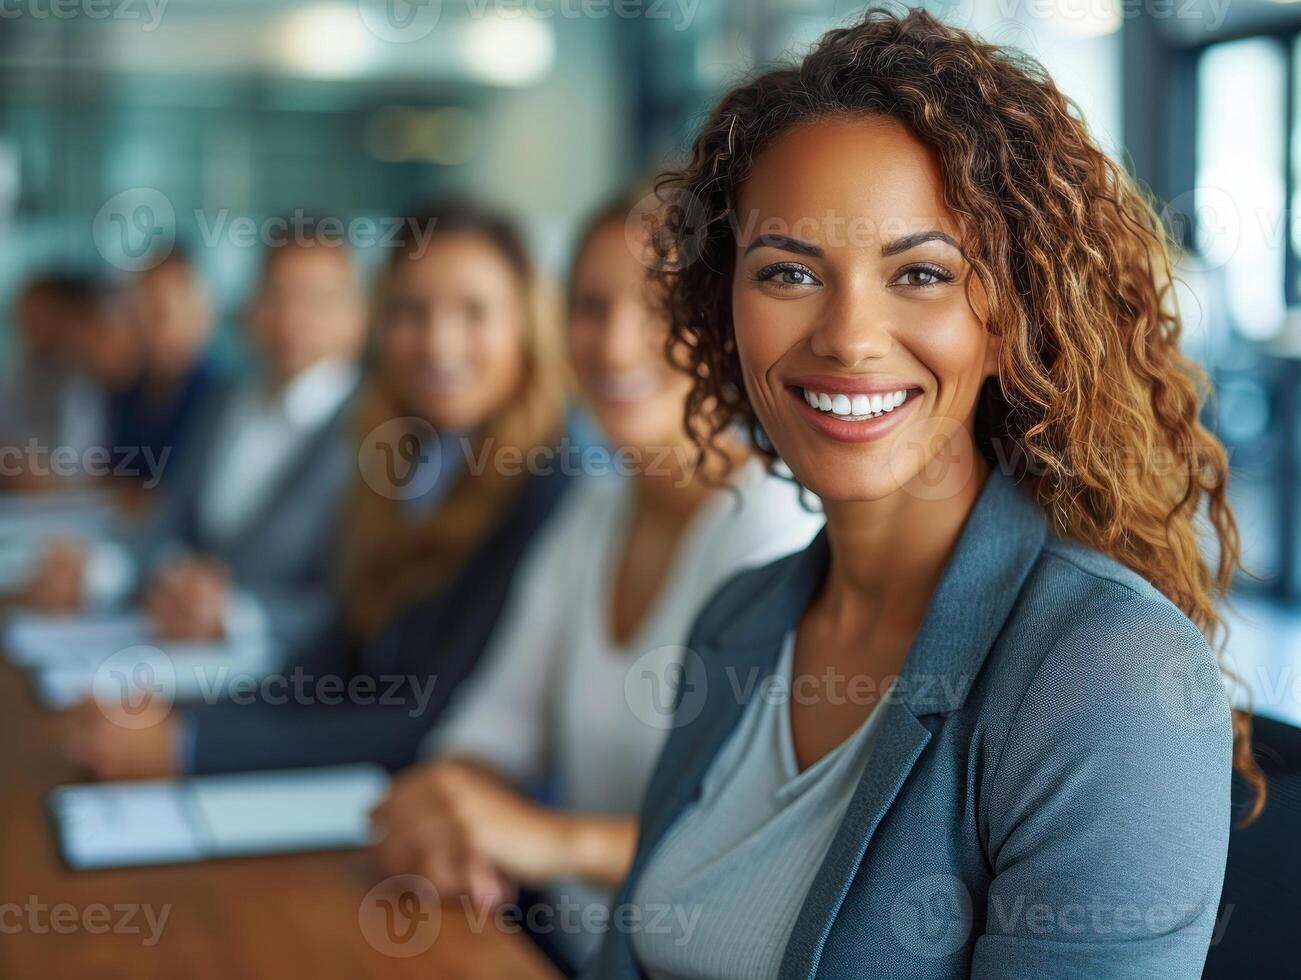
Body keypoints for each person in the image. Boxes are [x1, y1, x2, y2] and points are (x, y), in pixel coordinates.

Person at [586, 11, 1262, 980]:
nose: (848, 336)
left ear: (1009, 319)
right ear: (719, 301)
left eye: (919, 272)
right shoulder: (735, 621)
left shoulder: (1107, 675)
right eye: (786, 270)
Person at [370, 192, 824, 976]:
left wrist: (541, 840)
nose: (615, 345)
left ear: (721, 323)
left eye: (659, 307)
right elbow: (487, 731)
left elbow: (756, 838)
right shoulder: (591, 514)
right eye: (589, 306)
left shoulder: (774, 528)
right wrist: (457, 815)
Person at [60, 200, 578, 783]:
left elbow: (421, 721)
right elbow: (334, 656)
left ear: (527, 326)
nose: (438, 343)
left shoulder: (548, 481)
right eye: (412, 310)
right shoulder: (415, 459)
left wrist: (190, 748)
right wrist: (179, 722)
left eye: (474, 311)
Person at [27, 235, 367, 655]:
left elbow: (356, 601)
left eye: (318, 300)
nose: (292, 317)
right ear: (251, 307)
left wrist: (233, 616)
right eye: (276, 295)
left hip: (288, 672)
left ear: (359, 317)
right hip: (176, 646)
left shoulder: (372, 430)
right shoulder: (228, 399)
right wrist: (99, 571)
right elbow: (172, 519)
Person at [105, 249, 227, 488]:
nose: (146, 324)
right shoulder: (125, 389)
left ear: (200, 313)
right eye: (138, 310)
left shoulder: (221, 399)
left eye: (162, 310)